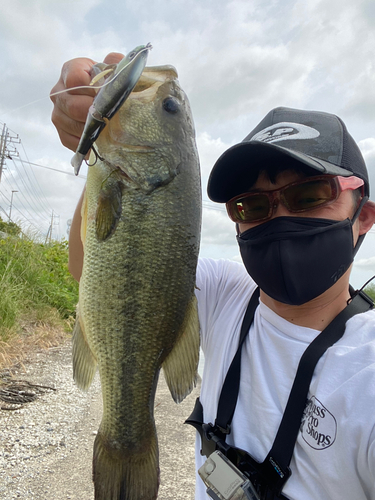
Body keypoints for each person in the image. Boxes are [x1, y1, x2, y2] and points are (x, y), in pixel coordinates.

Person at [51, 54, 375, 500]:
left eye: (308, 195)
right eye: (252, 206)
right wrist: (96, 147)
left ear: (364, 218)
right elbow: (86, 266)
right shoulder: (224, 293)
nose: (278, 215)